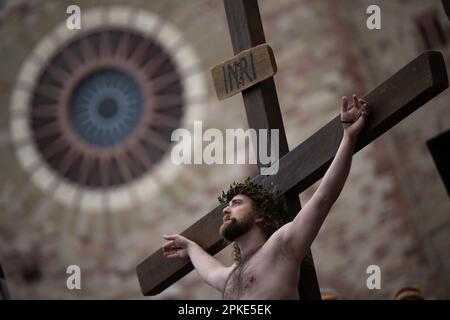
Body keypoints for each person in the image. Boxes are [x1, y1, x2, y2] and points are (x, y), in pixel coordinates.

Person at [162, 94, 370, 299]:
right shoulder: (231, 279)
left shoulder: (280, 248)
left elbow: (322, 199)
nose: (226, 209)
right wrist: (189, 248)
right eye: (228, 205)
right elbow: (209, 271)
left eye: (236, 203)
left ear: (259, 216)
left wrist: (348, 138)